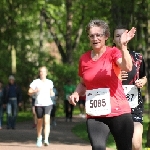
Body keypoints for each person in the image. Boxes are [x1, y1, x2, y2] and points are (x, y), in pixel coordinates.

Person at [69, 19, 136, 150]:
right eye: (91, 35)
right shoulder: (84, 59)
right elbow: (83, 83)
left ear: (106, 36)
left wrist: (123, 47)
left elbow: (127, 67)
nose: (95, 38)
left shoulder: (113, 52)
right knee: (98, 147)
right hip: (95, 114)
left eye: (98, 35)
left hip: (119, 112)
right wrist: (76, 93)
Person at [113, 25, 147, 150]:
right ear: (112, 39)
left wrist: (143, 81)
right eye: (117, 36)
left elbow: (144, 76)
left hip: (134, 106)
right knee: (123, 146)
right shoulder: (107, 57)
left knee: (136, 144)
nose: (120, 38)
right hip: (115, 107)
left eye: (123, 35)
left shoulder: (138, 57)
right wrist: (115, 75)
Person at [28, 66, 54, 147]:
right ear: (39, 73)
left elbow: (51, 92)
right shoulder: (36, 82)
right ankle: (39, 138)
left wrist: (52, 94)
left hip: (48, 104)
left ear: (46, 73)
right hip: (38, 104)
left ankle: (46, 139)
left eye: (43, 71)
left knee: (47, 121)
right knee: (39, 122)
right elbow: (29, 92)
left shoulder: (50, 82)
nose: (42, 73)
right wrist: (35, 90)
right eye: (41, 71)